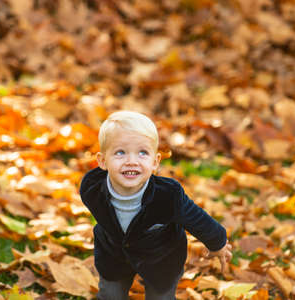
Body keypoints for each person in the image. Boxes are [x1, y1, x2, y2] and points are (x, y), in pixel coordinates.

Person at [79, 110, 232, 300]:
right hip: (113, 254)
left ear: (155, 162)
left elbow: (197, 219)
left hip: (161, 256)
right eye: (120, 153)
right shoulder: (91, 189)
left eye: (142, 153)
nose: (131, 161)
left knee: (161, 295)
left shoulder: (168, 196)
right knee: (110, 294)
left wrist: (217, 243)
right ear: (102, 161)